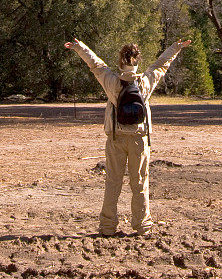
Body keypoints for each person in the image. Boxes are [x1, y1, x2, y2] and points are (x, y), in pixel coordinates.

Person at [64, 36, 191, 237]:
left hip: (116, 138)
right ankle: (143, 227)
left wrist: (79, 47)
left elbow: (94, 63)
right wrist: (176, 47)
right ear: (137, 61)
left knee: (113, 182)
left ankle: (107, 227)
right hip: (139, 139)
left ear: (120, 61)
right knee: (140, 183)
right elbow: (161, 64)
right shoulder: (145, 82)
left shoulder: (111, 81)